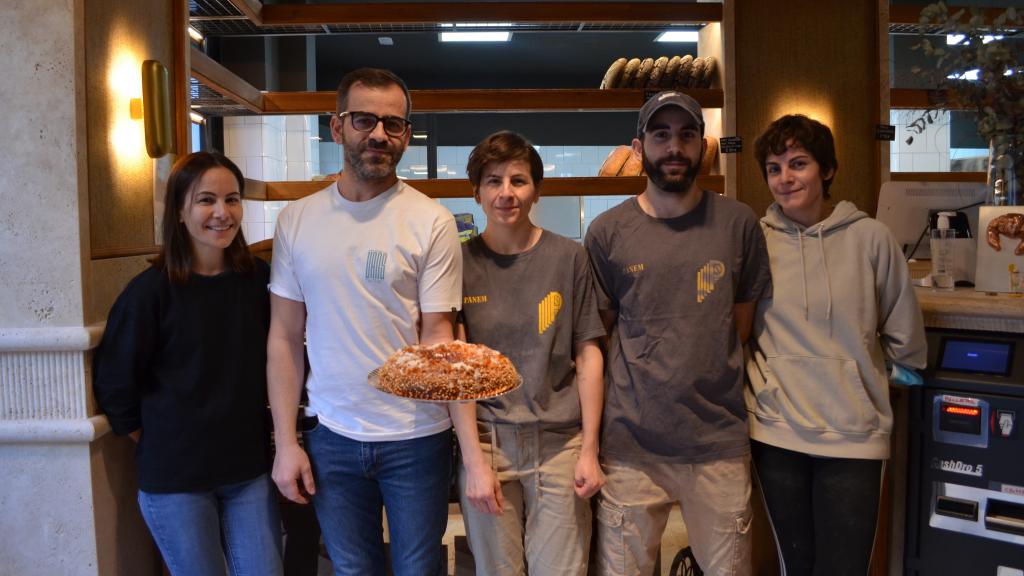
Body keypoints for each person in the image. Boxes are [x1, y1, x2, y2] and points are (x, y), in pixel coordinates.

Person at [267, 68, 462, 576]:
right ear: (337, 128)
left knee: (419, 568)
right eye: (364, 120)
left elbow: (438, 336)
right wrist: (287, 443)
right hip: (332, 434)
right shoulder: (297, 220)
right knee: (353, 570)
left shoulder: (432, 221)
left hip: (418, 435)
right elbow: (285, 337)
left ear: (406, 135)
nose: (378, 133)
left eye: (393, 124)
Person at [584, 91, 772, 576]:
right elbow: (601, 338)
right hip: (629, 446)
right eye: (661, 135)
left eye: (687, 135)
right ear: (638, 146)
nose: (674, 147)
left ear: (703, 146)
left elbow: (742, 324)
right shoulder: (607, 233)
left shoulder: (739, 224)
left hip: (718, 443)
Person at [746, 114, 926, 575]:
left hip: (854, 434)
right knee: (795, 564)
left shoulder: (871, 238)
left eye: (798, 163)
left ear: (826, 170)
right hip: (777, 429)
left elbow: (904, 336)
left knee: (844, 567)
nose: (785, 178)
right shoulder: (755, 243)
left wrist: (869, 389)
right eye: (774, 168)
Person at [93, 151, 282, 576]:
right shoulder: (149, 293)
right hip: (176, 479)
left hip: (249, 469)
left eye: (232, 199)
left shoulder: (259, 280)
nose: (222, 213)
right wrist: (167, 438)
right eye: (206, 200)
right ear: (179, 211)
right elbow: (115, 385)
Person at [450, 131, 606, 575]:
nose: (506, 193)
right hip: (490, 443)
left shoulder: (569, 258)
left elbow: (589, 352)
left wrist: (590, 449)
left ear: (536, 190)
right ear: (476, 192)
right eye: (493, 181)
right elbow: (457, 371)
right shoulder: (459, 263)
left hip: (561, 444)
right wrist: (473, 461)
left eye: (518, 181)